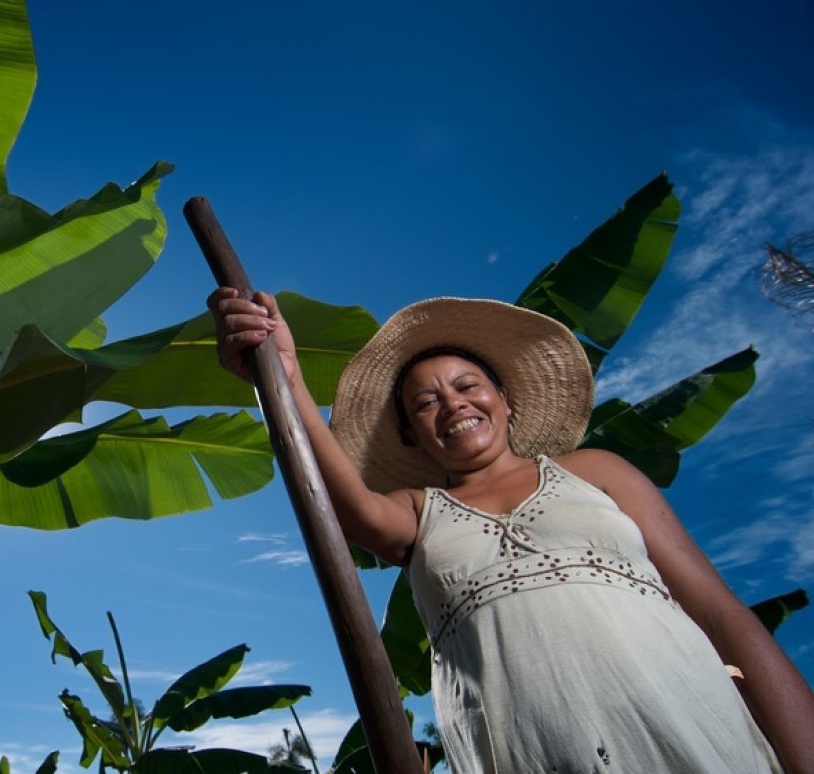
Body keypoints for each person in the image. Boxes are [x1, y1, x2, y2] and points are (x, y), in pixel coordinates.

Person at [209, 289, 814, 773]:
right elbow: (344, 508)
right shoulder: (417, 512)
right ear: (411, 437)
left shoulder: (597, 473)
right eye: (424, 404)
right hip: (527, 751)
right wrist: (280, 378)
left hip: (686, 721)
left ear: (504, 398)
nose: (452, 404)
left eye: (467, 385)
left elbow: (718, 612)